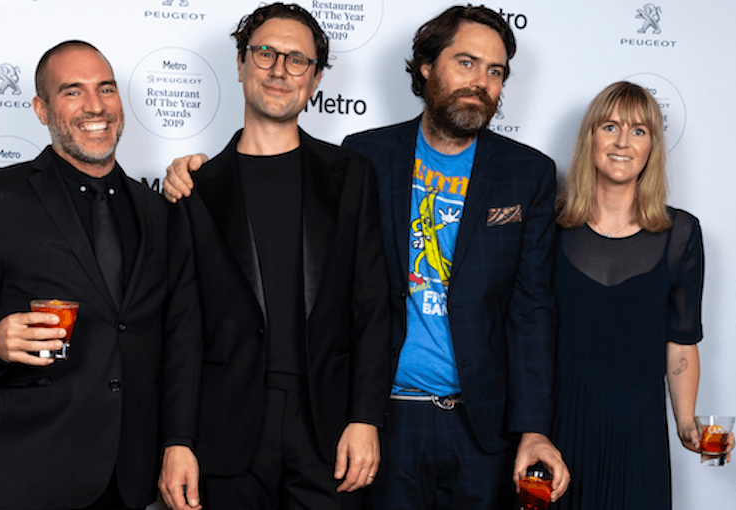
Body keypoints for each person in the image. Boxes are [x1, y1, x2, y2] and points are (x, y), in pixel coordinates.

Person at [164, 5, 569, 509]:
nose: (480, 82)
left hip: (480, 427)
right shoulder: (366, 157)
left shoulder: (526, 174)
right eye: (466, 63)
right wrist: (193, 170)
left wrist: (533, 428)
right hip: (386, 418)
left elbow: (530, 312)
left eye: (495, 71)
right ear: (426, 66)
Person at [0, 40, 200, 510]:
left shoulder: (159, 211)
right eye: (72, 92)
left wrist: (180, 440)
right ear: (41, 108)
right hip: (29, 470)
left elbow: (179, 338)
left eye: (106, 89)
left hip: (132, 476)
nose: (95, 106)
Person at [157, 3, 390, 510]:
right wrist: (178, 440)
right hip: (224, 432)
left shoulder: (351, 176)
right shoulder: (193, 189)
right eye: (265, 53)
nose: (280, 70)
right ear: (240, 65)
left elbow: (373, 306)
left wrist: (366, 417)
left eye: (296, 60)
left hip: (327, 432)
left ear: (316, 78)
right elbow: (182, 325)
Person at [551, 81, 734, 510]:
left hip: (640, 431)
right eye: (610, 127)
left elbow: (681, 340)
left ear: (653, 146)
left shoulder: (681, 234)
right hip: (557, 426)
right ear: (590, 137)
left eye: (639, 131)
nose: (622, 142)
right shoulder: (551, 225)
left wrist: (687, 424)